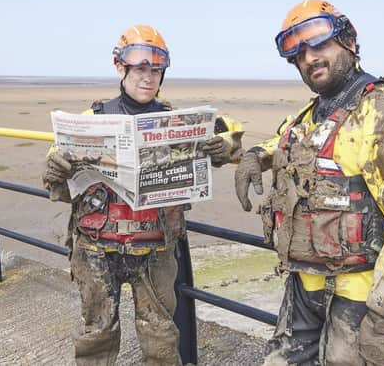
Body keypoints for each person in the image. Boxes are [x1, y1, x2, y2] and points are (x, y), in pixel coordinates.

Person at [234, 0, 384, 365]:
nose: (309, 57)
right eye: (298, 52)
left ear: (348, 41)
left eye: (319, 44)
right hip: (305, 285)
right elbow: (297, 140)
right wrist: (258, 154)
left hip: (360, 297)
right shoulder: (316, 111)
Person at [42, 24, 242, 366]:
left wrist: (223, 145)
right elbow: (55, 179)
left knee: (161, 337)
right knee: (96, 335)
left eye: (156, 70)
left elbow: (233, 136)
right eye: (140, 69)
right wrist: (55, 169)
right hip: (94, 246)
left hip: (156, 249)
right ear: (120, 68)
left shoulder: (175, 120)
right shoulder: (92, 119)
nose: (148, 78)